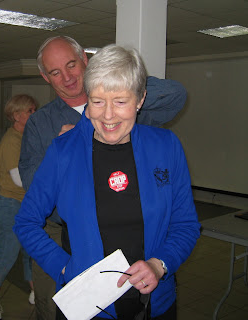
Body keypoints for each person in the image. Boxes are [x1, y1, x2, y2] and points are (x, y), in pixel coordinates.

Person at [14, 44, 201, 320]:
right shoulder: (63, 151)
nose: (108, 115)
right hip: (89, 306)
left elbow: (185, 224)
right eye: (98, 101)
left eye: (121, 101)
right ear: (87, 100)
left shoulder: (165, 146)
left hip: (154, 304)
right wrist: (64, 268)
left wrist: (160, 264)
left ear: (140, 100)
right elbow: (26, 222)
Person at [0, 95, 37, 320]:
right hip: (12, 204)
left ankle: (36, 291)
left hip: (27, 203)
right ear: (17, 115)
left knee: (31, 251)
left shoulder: (27, 136)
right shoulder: (11, 141)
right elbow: (20, 180)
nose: (35, 114)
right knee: (8, 251)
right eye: (31, 111)